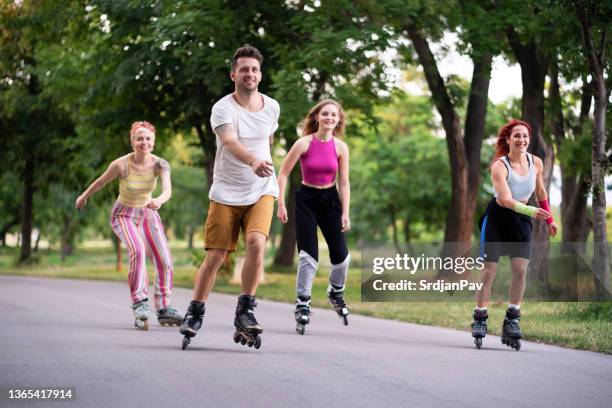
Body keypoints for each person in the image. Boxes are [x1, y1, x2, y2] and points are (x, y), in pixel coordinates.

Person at [179, 45, 280, 350]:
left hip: (262, 189)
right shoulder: (223, 108)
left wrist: (265, 169)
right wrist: (253, 161)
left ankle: (246, 309)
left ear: (260, 75)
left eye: (255, 69)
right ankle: (195, 311)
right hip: (225, 191)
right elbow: (230, 141)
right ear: (233, 74)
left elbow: (269, 141)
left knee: (256, 242)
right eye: (244, 69)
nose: (250, 74)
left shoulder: (272, 107)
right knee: (216, 256)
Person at [75, 121, 182, 330]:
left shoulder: (161, 164)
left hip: (148, 213)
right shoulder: (121, 164)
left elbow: (167, 190)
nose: (144, 142)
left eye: (148, 138)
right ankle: (140, 302)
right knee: (138, 250)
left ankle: (163, 307)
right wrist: (84, 196)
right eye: (139, 138)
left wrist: (159, 200)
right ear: (132, 141)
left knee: (165, 259)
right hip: (124, 215)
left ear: (154, 141)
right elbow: (100, 182)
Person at [472, 119, 557, 350]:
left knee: (520, 271)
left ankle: (513, 317)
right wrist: (532, 211)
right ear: (508, 140)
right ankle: (480, 316)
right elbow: (504, 200)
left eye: (525, 136)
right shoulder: (500, 166)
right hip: (498, 219)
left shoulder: (536, 163)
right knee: (489, 270)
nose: (522, 140)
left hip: (521, 221)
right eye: (517, 136)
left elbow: (540, 192)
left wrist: (549, 219)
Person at [276, 99, 351, 335]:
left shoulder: (341, 147)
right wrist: (280, 204)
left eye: (333, 115)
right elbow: (283, 174)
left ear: (338, 120)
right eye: (325, 114)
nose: (329, 118)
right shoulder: (303, 143)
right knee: (308, 256)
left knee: (342, 257)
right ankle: (303, 303)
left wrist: (346, 212)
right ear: (317, 117)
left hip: (330, 200)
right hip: (306, 199)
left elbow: (344, 182)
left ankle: (335, 291)